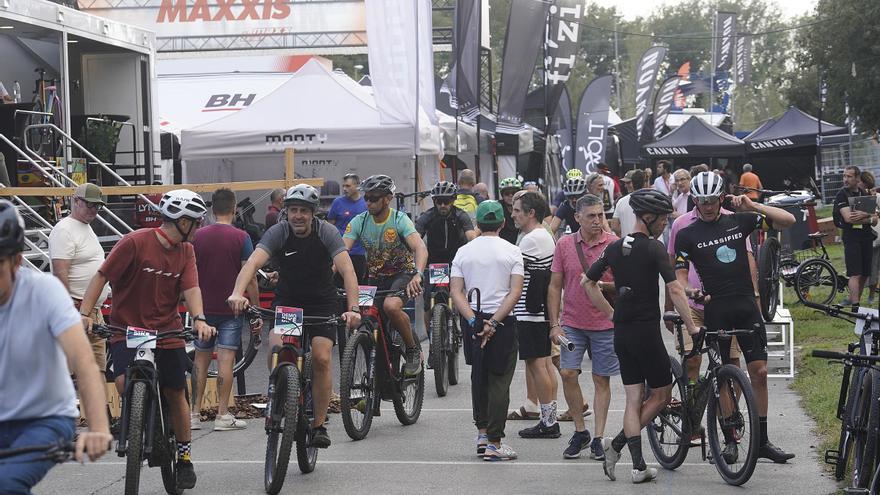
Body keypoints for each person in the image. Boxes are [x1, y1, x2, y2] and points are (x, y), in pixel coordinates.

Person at [79, 189, 217, 490]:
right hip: (127, 330)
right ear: (182, 221)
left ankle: (184, 458)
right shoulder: (134, 242)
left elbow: (192, 288)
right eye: (196, 222)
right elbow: (101, 276)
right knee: (121, 382)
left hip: (166, 331)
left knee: (175, 392)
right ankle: (143, 420)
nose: (198, 228)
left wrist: (200, 319)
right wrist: (85, 314)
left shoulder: (186, 251)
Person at [674, 171, 797, 463]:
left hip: (745, 306)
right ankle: (730, 439)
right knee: (724, 377)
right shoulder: (686, 233)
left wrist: (753, 206)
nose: (706, 206)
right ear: (695, 200)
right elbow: (678, 276)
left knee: (760, 373)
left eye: (712, 200)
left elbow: (787, 221)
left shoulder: (738, 220)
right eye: (701, 200)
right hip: (716, 310)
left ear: (721, 198)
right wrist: (689, 291)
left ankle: (763, 440)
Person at [228, 184, 362, 448]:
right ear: (286, 212)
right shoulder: (279, 232)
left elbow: (348, 272)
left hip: (322, 303)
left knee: (322, 358)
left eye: (303, 211)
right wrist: (236, 293)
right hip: (289, 301)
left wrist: (354, 308)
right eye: (292, 210)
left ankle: (319, 424)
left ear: (312, 213)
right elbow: (253, 263)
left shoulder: (327, 232)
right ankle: (280, 389)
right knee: (277, 346)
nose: (297, 216)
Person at [583, 189, 699, 484]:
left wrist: (610, 313)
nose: (665, 224)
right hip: (647, 333)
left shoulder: (614, 247)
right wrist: (694, 327)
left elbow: (588, 282)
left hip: (621, 332)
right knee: (660, 395)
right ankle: (622, 449)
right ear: (648, 217)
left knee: (634, 398)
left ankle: (634, 464)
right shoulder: (654, 248)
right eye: (662, 219)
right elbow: (673, 289)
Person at [0, 201, 113, 493]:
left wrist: (99, 428)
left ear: (16, 260)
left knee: (6, 484)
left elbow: (84, 360)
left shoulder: (44, 293)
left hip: (44, 420)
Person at [449, 200, 524, 461]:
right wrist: (493, 323)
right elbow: (515, 292)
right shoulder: (513, 251)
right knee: (499, 380)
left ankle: (482, 434)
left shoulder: (463, 252)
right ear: (503, 223)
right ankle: (494, 442)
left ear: (478, 224)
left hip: (473, 320)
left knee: (478, 376)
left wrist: (474, 321)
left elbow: (456, 293)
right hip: (502, 321)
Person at [548, 194, 620, 460]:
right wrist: (554, 324)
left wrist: (603, 286)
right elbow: (555, 286)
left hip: (605, 324)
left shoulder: (612, 244)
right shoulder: (565, 244)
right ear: (577, 217)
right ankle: (580, 431)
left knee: (601, 379)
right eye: (591, 216)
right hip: (573, 323)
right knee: (567, 373)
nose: (597, 221)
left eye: (601, 215)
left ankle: (599, 437)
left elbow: (624, 285)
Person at [190, 188, 262, 432]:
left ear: (212, 210)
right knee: (226, 360)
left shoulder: (197, 236)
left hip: (202, 307)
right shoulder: (242, 237)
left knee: (199, 359)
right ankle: (222, 414)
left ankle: (194, 414)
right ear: (234, 209)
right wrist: (257, 308)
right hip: (231, 309)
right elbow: (250, 277)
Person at [343, 175, 428, 376]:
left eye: (374, 198)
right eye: (367, 198)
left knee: (391, 306)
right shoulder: (359, 221)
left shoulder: (399, 219)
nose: (369, 202)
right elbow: (341, 253)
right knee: (366, 320)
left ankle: (412, 349)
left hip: (403, 274)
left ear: (388, 198)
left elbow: (420, 247)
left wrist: (418, 274)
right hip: (374, 278)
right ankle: (378, 385)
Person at [508, 192, 559, 440]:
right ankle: (548, 418)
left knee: (537, 365)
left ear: (531, 213)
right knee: (544, 364)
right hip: (539, 310)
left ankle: (548, 422)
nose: (513, 214)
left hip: (532, 312)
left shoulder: (532, 239)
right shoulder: (541, 236)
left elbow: (513, 272)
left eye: (517, 210)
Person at [48, 183, 110, 372]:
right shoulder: (64, 230)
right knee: (76, 368)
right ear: (75, 201)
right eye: (90, 204)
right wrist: (71, 311)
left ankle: (98, 403)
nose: (94, 210)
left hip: (91, 308)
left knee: (96, 367)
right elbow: (60, 272)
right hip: (78, 306)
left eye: (97, 206)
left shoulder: (83, 227)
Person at [415, 180, 476, 365]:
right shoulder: (428, 216)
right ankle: (434, 344)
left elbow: (471, 236)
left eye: (447, 201)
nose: (442, 205)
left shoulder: (461, 215)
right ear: (434, 201)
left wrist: (474, 249)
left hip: (456, 263)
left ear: (454, 200)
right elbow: (415, 237)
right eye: (439, 201)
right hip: (434, 263)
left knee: (457, 296)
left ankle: (457, 323)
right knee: (427, 304)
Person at [834, 166, 879, 306]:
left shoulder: (863, 193)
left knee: (866, 272)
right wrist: (870, 217)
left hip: (866, 236)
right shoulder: (842, 194)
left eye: (849, 176)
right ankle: (855, 306)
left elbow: (875, 218)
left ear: (857, 178)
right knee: (855, 273)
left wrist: (866, 215)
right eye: (844, 176)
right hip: (851, 237)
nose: (845, 179)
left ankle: (855, 300)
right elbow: (849, 218)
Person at [327, 173, 368, 283]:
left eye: (348, 186)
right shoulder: (338, 202)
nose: (345, 189)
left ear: (357, 186)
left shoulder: (366, 204)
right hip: (340, 252)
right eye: (343, 186)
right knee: (337, 286)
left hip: (358, 253)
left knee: (358, 286)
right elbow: (330, 227)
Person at [861, 171, 880, 304]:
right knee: (871, 269)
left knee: (873, 268)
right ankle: (870, 296)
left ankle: (871, 296)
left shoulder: (877, 197)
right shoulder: (860, 197)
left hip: (876, 237)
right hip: (868, 238)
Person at [610, 170, 646, 238]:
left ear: (636, 182)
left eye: (628, 183)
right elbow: (614, 226)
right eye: (625, 183)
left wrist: (624, 237)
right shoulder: (649, 199)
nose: (625, 185)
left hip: (628, 244)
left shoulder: (621, 201)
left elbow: (614, 226)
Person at [498, 177, 522, 244]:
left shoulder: (525, 207)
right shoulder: (497, 207)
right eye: (507, 193)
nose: (511, 196)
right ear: (502, 195)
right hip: (502, 245)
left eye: (514, 193)